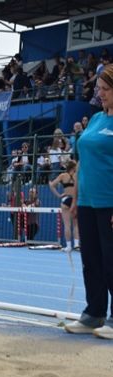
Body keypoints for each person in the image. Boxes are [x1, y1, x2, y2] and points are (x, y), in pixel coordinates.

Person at [65, 64, 113, 339]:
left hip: (110, 202)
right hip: (88, 202)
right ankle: (94, 313)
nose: (101, 94)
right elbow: (82, 162)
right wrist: (76, 199)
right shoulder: (95, 120)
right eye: (99, 89)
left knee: (111, 260)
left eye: (106, 89)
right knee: (91, 259)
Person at [48, 160, 79, 251]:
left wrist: (58, 195)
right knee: (76, 225)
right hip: (75, 200)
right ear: (73, 168)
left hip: (66, 199)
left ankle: (69, 246)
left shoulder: (63, 176)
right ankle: (76, 245)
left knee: (67, 225)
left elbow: (52, 185)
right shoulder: (77, 176)